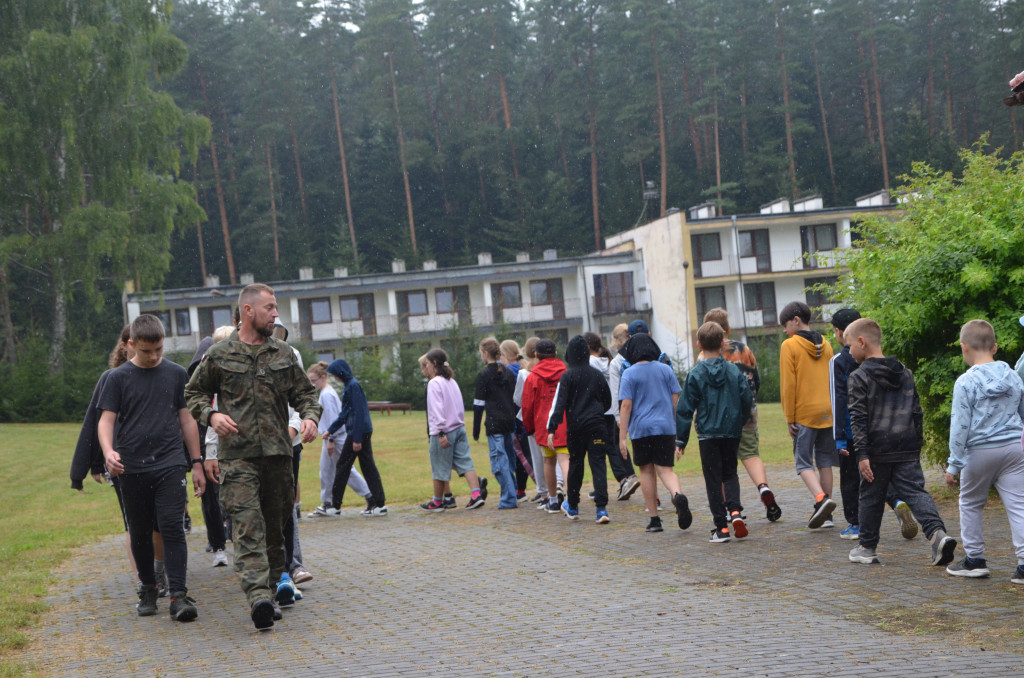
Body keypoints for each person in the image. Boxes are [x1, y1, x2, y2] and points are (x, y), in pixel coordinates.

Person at [186, 283, 321, 630]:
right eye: (270, 307)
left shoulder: (284, 354)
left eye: (276, 308)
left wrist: (309, 417)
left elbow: (306, 394)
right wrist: (212, 417)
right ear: (248, 311)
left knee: (275, 531)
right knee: (247, 527)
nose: (276, 314)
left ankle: (274, 588)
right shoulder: (219, 355)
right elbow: (194, 393)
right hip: (239, 458)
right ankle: (258, 596)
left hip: (279, 457)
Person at [98, 314, 205, 621]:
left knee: (172, 527)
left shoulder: (175, 374)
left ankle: (179, 595)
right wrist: (108, 453)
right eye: (146, 351)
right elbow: (105, 421)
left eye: (159, 349)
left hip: (170, 463)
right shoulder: (117, 379)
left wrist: (196, 462)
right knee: (141, 531)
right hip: (131, 467)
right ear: (131, 345)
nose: (154, 356)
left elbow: (187, 419)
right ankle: (147, 587)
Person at [844, 318, 958, 567]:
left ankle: (867, 547)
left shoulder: (858, 377)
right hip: (906, 445)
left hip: (876, 448)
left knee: (871, 496)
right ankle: (938, 534)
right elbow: (917, 412)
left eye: (849, 345)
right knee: (915, 492)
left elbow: (859, 417)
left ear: (862, 342)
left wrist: (862, 453)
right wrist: (916, 443)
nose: (849, 351)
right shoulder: (905, 372)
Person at [944, 320, 1024, 580]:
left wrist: (954, 464)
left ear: (964, 348)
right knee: (1018, 505)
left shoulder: (965, 382)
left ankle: (975, 560)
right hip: (1014, 448)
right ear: (996, 347)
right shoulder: (1013, 375)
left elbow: (960, 427)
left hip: (979, 452)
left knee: (970, 503)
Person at [829, 308, 917, 542]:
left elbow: (838, 399)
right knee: (875, 475)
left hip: (850, 430)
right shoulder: (875, 359)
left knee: (851, 478)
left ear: (840, 332)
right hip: (877, 428)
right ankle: (898, 500)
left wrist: (839, 436)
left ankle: (856, 524)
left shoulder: (838, 361)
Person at [699, 309, 781, 522]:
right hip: (746, 413)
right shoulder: (744, 348)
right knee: (750, 453)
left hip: (719, 418)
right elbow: (755, 379)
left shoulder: (705, 354)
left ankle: (731, 509)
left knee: (725, 466)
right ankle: (763, 488)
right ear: (728, 329)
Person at [676, 321, 752, 542]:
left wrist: (680, 440)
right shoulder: (733, 371)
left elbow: (684, 409)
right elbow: (746, 397)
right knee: (730, 473)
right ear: (722, 343)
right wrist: (740, 419)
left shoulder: (695, 374)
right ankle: (735, 512)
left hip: (708, 434)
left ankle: (722, 527)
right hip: (731, 431)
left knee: (713, 479)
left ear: (699, 344)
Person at [617, 332, 692, 533]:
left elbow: (626, 406)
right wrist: (678, 431)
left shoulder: (629, 374)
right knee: (666, 470)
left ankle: (654, 519)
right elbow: (677, 400)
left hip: (641, 430)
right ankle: (677, 496)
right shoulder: (665, 370)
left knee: (646, 471)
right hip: (665, 427)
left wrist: (622, 437)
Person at [779, 300, 838, 529]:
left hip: (804, 413)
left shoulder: (789, 346)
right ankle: (827, 515)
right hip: (828, 411)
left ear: (796, 320)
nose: (785, 331)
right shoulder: (828, 344)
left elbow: (788, 385)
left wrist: (789, 418)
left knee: (803, 462)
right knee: (825, 461)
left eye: (786, 325)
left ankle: (821, 499)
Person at [546, 335, 612, 523]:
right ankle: (601, 509)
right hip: (597, 426)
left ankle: (573, 506)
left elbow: (560, 404)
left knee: (576, 464)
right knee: (598, 465)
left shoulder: (567, 376)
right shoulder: (597, 375)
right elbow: (607, 400)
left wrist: (552, 428)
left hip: (576, 428)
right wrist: (597, 411)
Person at [420, 348, 486, 512]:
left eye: (427, 364)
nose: (426, 367)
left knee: (439, 466)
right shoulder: (451, 381)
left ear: (434, 363)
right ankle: (476, 494)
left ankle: (437, 501)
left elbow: (436, 409)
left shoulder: (434, 383)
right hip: (459, 427)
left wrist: (441, 432)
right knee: (465, 461)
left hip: (444, 431)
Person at [306, 361, 375, 516]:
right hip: (330, 437)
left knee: (346, 471)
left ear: (323, 377)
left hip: (336, 438)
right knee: (326, 471)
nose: (312, 384)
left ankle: (369, 496)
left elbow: (333, 417)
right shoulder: (325, 393)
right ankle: (328, 503)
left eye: (314, 381)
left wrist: (330, 439)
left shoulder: (327, 395)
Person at [186, 335, 229, 567]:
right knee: (211, 496)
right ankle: (219, 544)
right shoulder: (195, 387)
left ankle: (233, 537)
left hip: (230, 443)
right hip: (205, 446)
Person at [325, 359, 387, 515]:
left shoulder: (353, 386)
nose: (335, 378)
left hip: (359, 432)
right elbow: (345, 413)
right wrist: (330, 430)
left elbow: (359, 413)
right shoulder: (349, 387)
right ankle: (377, 503)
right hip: (357, 431)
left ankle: (337, 505)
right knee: (363, 467)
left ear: (341, 372)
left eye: (335, 375)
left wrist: (357, 439)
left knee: (345, 467)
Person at [585, 332, 641, 502]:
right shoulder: (607, 361)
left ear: (587, 347)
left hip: (599, 411)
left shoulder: (589, 364)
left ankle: (624, 479)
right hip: (612, 409)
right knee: (614, 445)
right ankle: (625, 477)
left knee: (601, 450)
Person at [521, 339, 571, 514]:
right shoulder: (566, 372)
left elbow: (527, 406)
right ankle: (571, 499)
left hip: (544, 424)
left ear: (536, 355)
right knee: (566, 461)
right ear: (556, 353)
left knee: (548, 462)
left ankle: (552, 500)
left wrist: (529, 428)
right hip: (564, 423)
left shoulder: (532, 377)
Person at [473, 337, 519, 509]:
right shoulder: (507, 372)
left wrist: (476, 430)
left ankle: (508, 498)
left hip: (494, 423)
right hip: (509, 421)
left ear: (485, 353)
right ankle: (512, 489)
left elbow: (478, 405)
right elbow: (515, 399)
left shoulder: (484, 375)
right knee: (508, 458)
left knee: (499, 461)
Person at [514, 337, 555, 508]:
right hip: (555, 417)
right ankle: (560, 489)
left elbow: (519, 399)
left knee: (541, 458)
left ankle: (544, 492)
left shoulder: (526, 374)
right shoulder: (557, 370)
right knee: (557, 457)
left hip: (536, 420)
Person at [500, 338, 535, 501]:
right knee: (525, 456)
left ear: (504, 355)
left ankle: (529, 488)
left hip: (516, 419)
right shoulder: (523, 368)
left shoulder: (509, 371)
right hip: (526, 416)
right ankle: (521, 489)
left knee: (522, 457)